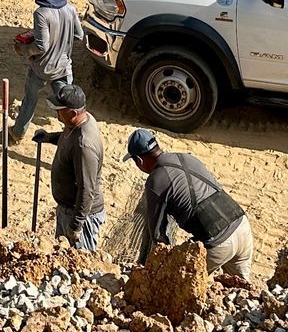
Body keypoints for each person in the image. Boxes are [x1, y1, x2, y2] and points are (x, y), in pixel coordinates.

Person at [126, 129, 253, 280]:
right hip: (242, 226)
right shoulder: (187, 158)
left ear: (139, 161)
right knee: (242, 291)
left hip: (217, 242)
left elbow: (158, 235)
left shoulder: (156, 181)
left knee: (177, 286)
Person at [9, 0, 81, 144]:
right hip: (63, 68)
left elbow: (42, 45)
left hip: (41, 69)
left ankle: (17, 133)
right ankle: (74, 138)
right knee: (69, 107)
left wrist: (22, 48)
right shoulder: (71, 9)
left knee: (30, 101)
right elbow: (79, 35)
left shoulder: (41, 13)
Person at [33, 85, 104, 250]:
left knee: (80, 266)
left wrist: (76, 225)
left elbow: (87, 190)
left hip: (81, 216)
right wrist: (50, 137)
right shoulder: (79, 121)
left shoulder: (84, 146)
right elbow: (68, 139)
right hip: (67, 209)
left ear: (73, 113)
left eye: (60, 111)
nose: (57, 115)